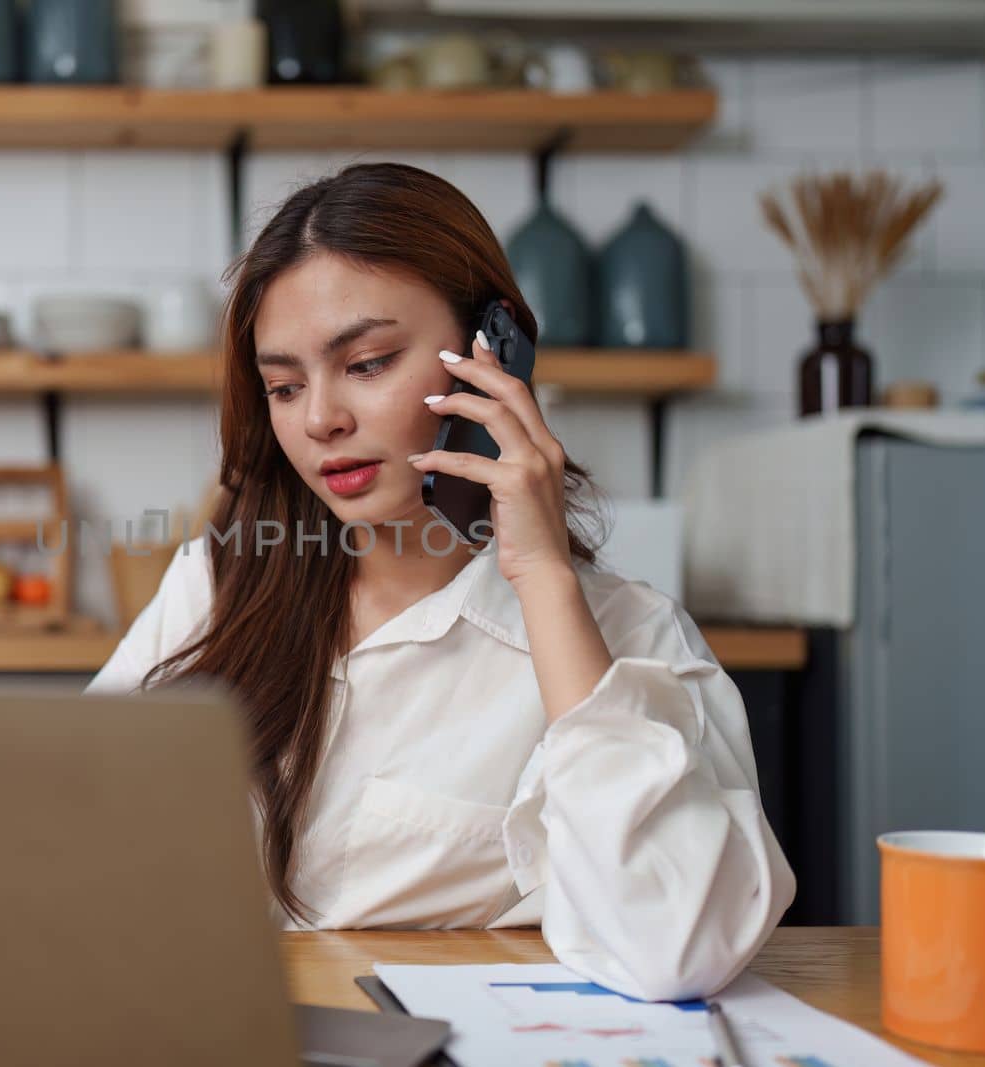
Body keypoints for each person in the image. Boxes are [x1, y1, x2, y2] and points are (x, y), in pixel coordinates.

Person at [84, 162, 795, 1001]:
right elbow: (68, 842)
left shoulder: (633, 638)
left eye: (370, 362)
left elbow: (676, 948)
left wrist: (540, 575)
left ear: (492, 354)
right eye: (283, 385)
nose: (319, 420)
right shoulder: (217, 587)